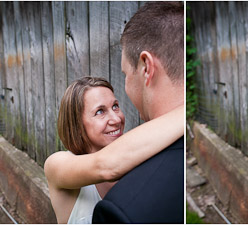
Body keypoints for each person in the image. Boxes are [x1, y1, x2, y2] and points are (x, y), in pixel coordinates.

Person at [90, 2, 186, 223]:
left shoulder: (122, 209)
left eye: (125, 73)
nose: (115, 118)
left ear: (146, 67)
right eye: (99, 111)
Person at [44, 77, 183, 224]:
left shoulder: (135, 162)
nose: (116, 119)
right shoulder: (57, 164)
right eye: (100, 112)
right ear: (77, 126)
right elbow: (106, 166)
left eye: (115, 106)